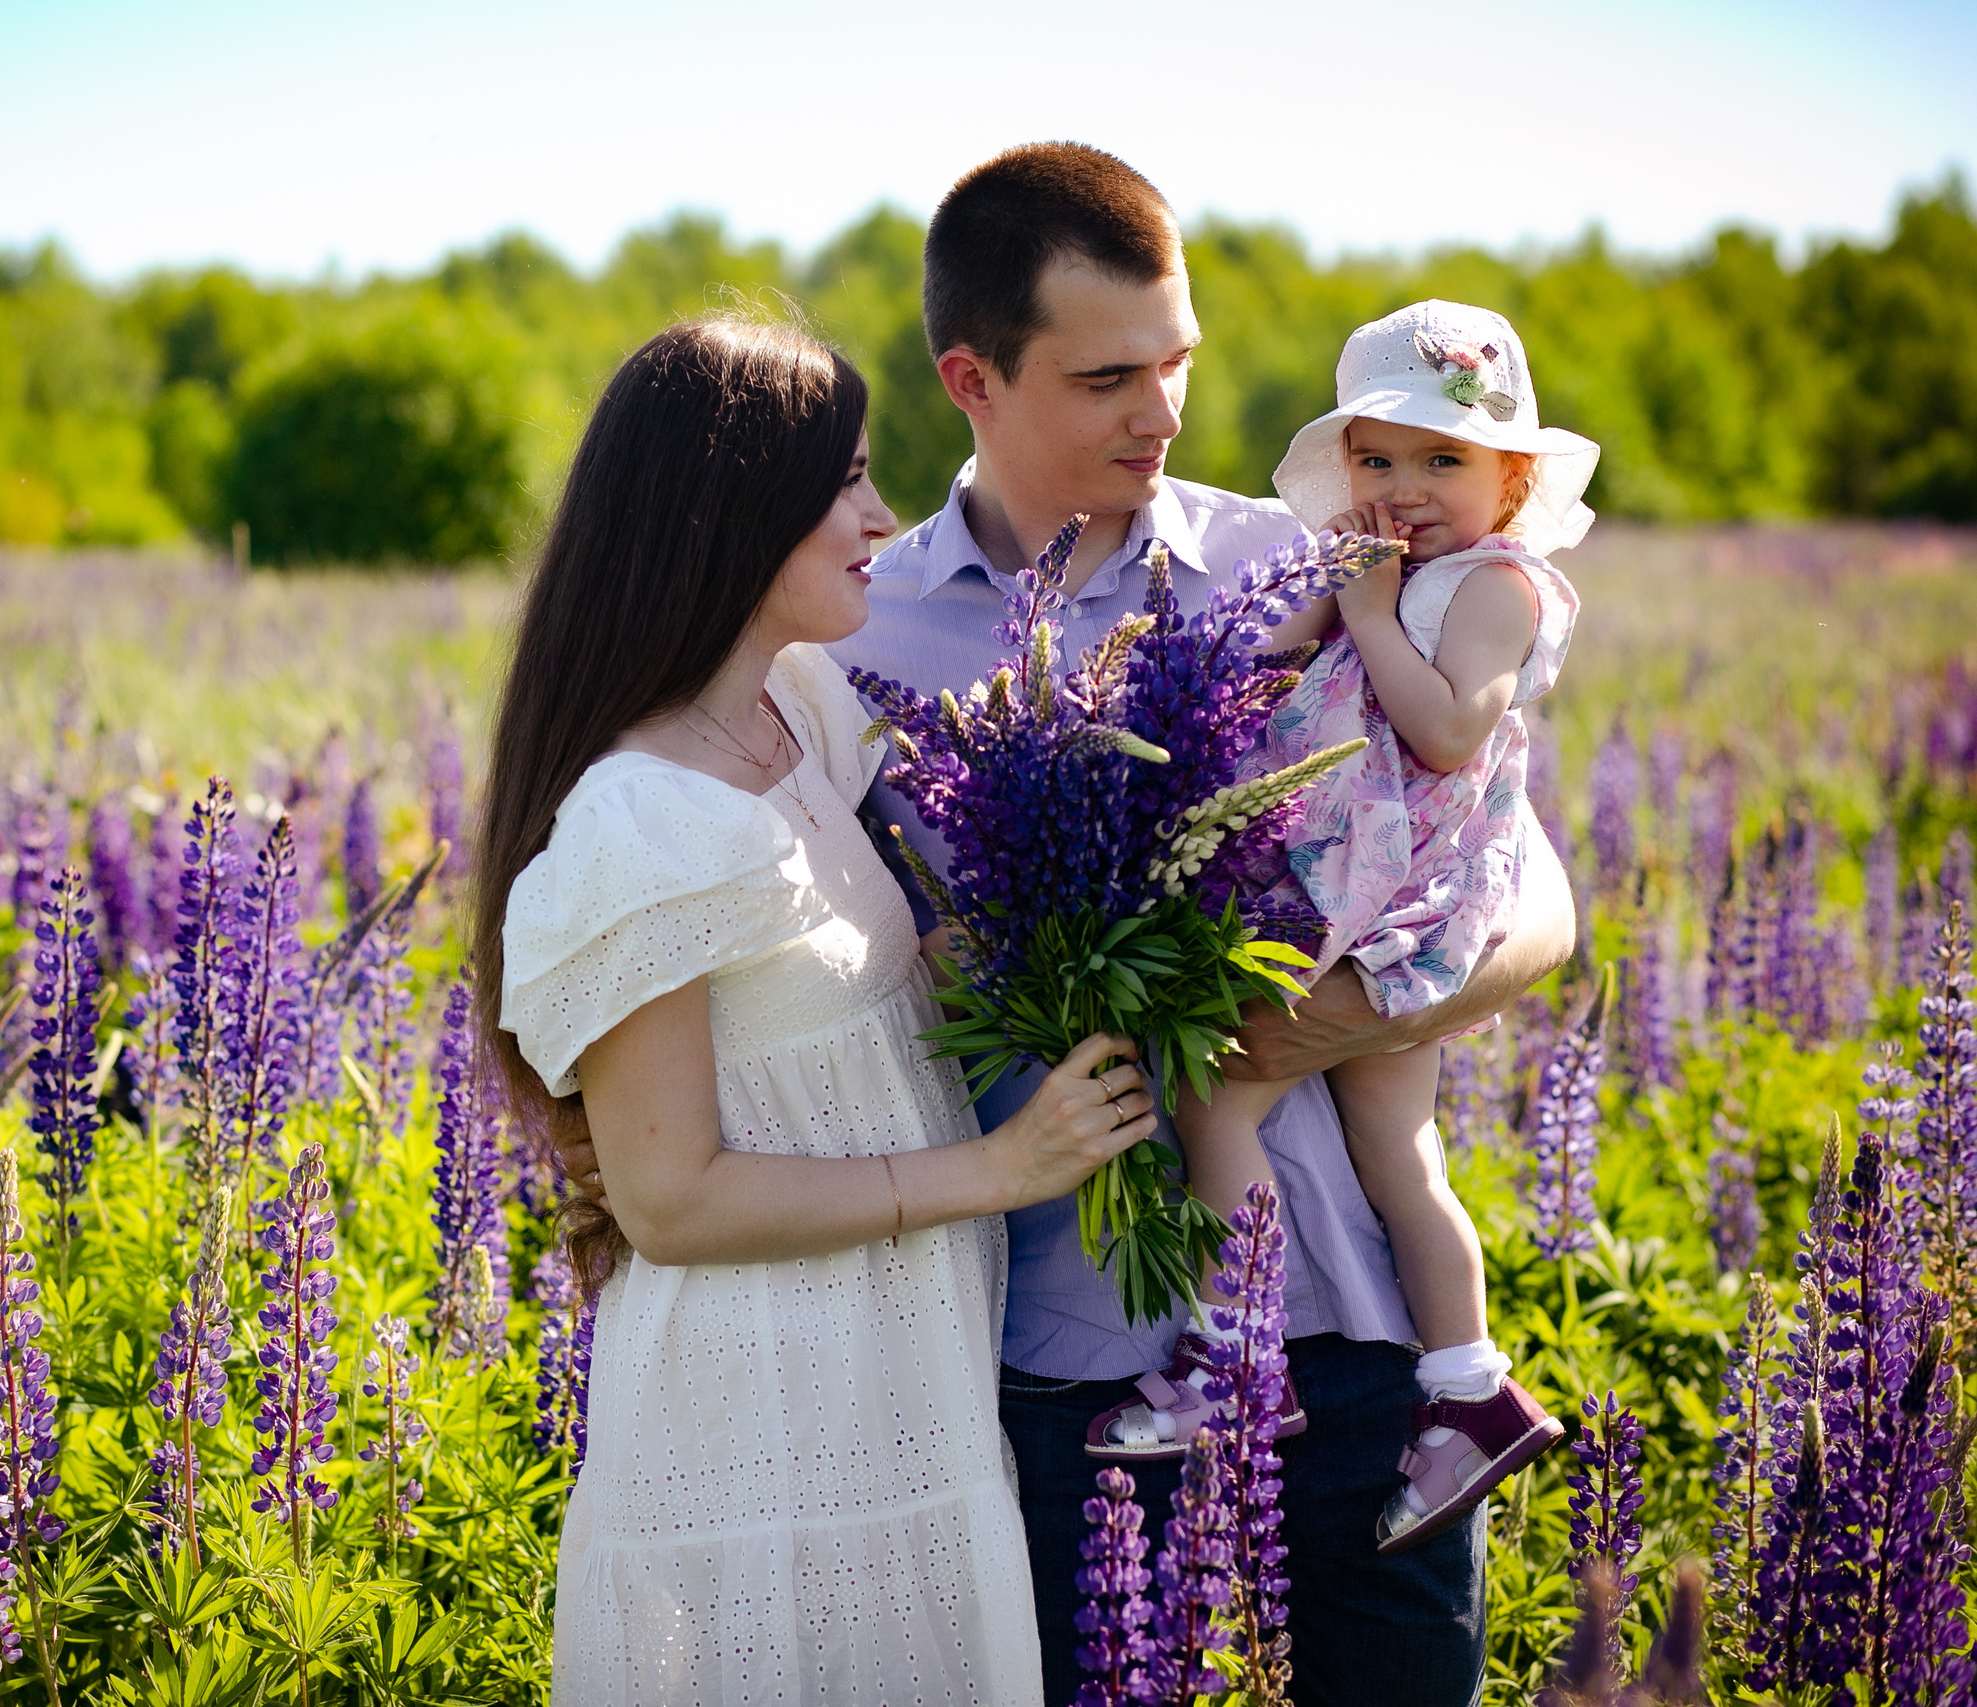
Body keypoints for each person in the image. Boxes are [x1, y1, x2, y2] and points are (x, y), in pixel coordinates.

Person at [815, 145, 1575, 1706]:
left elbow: (1536, 900)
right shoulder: (851, 629)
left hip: (1354, 1330)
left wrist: (1335, 1018)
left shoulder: (1310, 559)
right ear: (972, 378)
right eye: (1108, 377)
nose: (1159, 411)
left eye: (1176, 363)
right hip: (1068, 1351)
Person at [472, 317, 1163, 1705]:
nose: (881, 518)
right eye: (843, 483)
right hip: (767, 1419)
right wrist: (998, 1167)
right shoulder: (642, 821)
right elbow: (671, 1197)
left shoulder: (800, 709)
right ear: (729, 518)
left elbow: (848, 982)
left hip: (900, 1376)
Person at [1171, 300, 1596, 1555]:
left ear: (1509, 481)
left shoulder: (1498, 587)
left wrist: (1363, 614)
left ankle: (1240, 1359)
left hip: (1400, 899)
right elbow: (1259, 670)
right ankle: (1467, 1390)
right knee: (1391, 1153)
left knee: (1220, 1099)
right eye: (1375, 457)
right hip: (1349, 881)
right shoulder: (1377, 568)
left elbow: (1452, 729)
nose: (1403, 488)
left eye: (1441, 458)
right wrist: (1310, 605)